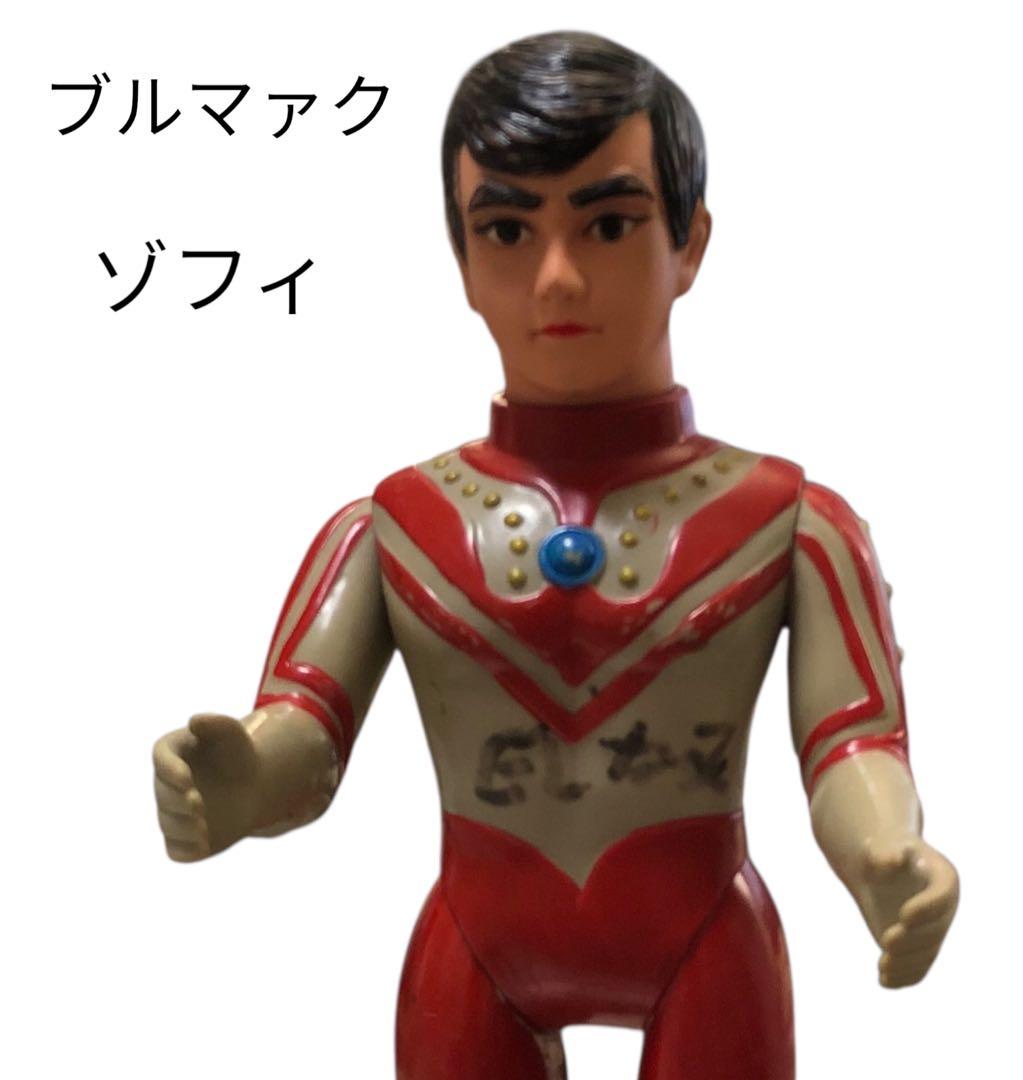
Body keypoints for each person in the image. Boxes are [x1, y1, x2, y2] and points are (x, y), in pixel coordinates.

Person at [152, 31, 959, 1080]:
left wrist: (884, 853)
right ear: (462, 262)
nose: (559, 277)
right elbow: (308, 726)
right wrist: (247, 779)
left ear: (690, 243)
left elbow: (851, 741)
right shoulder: (393, 525)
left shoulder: (791, 521)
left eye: (610, 224)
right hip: (476, 950)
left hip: (707, 939)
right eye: (507, 230)